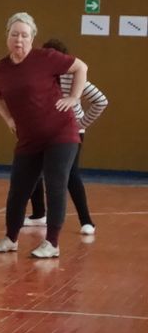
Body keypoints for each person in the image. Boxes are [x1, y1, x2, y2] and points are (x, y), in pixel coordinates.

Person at [0, 14, 87, 259]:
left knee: (55, 184)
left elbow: (81, 67)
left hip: (61, 133)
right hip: (29, 138)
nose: (19, 40)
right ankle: (11, 238)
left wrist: (74, 97)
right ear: (7, 37)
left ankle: (52, 243)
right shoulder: (1, 68)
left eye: (24, 35)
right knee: (18, 188)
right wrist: (8, 119)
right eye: (14, 35)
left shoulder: (46, 58)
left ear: (32, 38)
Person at [25, 39, 107, 235]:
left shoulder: (74, 77)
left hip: (70, 132)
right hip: (44, 129)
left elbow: (101, 101)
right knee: (33, 169)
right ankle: (39, 214)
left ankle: (86, 221)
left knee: (70, 174)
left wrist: (81, 124)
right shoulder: (38, 78)